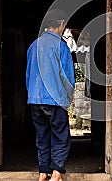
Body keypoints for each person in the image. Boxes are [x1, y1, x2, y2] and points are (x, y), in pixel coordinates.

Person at [26, 9, 75, 181]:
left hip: (35, 99)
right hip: (55, 99)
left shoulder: (33, 46)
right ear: (62, 23)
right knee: (60, 135)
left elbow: (28, 75)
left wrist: (32, 95)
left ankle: (42, 172)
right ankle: (56, 173)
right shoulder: (61, 47)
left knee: (42, 135)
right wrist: (68, 98)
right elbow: (67, 77)